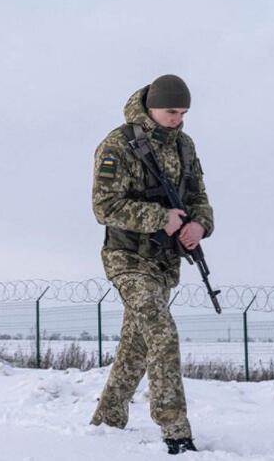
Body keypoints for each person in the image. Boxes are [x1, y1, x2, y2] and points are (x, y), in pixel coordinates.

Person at [89, 74, 214, 455]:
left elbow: (199, 197)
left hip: (163, 263)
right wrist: (160, 218)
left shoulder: (185, 146)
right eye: (171, 111)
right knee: (161, 333)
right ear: (150, 107)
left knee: (136, 346)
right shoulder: (119, 144)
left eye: (184, 112)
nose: (178, 119)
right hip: (126, 258)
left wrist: (198, 226)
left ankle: (106, 422)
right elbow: (104, 207)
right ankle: (175, 429)